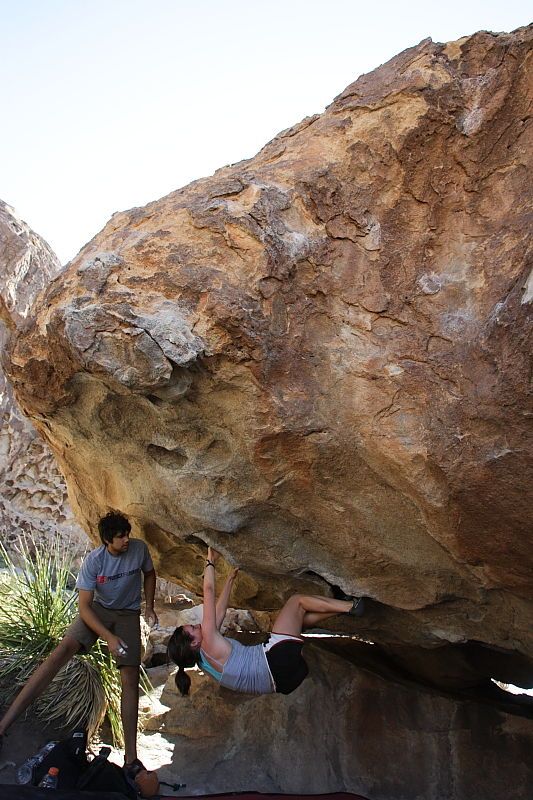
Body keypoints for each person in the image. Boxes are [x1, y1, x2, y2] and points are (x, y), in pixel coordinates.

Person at [0, 511, 158, 778]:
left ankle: (131, 759)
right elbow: (84, 608)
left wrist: (150, 607)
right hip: (98, 610)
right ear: (108, 540)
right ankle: (4, 724)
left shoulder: (139, 549)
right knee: (60, 652)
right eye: (121, 537)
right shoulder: (94, 562)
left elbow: (150, 573)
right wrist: (108, 637)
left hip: (128, 614)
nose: (126, 540)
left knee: (129, 677)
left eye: (127, 534)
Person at [167, 547, 365, 696]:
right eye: (193, 628)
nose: (198, 625)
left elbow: (219, 613)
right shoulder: (208, 638)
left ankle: (344, 608)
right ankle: (352, 606)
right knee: (297, 602)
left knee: (299, 622)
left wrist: (229, 581)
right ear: (193, 642)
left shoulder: (205, 662)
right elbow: (208, 591)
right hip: (276, 660)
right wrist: (210, 561)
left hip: (283, 682)